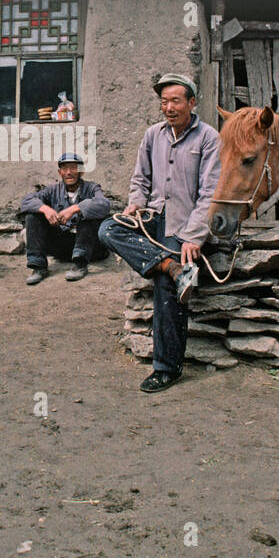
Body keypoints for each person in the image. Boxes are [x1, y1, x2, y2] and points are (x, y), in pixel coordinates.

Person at [98, 74, 220, 393]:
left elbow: (209, 193)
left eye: (175, 101)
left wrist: (194, 236)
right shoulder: (153, 134)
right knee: (108, 228)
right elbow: (140, 179)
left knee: (165, 287)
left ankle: (167, 368)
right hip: (152, 217)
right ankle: (172, 266)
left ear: (192, 103)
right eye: (164, 102)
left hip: (184, 222)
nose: (168, 107)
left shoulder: (208, 138)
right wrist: (135, 205)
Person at [19, 152, 111, 284]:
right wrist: (45, 209)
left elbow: (104, 204)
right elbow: (26, 202)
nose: (69, 172)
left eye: (73, 168)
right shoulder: (52, 190)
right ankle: (38, 267)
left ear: (81, 171)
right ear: (59, 172)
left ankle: (80, 265)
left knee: (89, 214)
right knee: (33, 216)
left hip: (90, 249)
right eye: (64, 168)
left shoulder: (92, 188)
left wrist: (75, 208)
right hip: (62, 247)